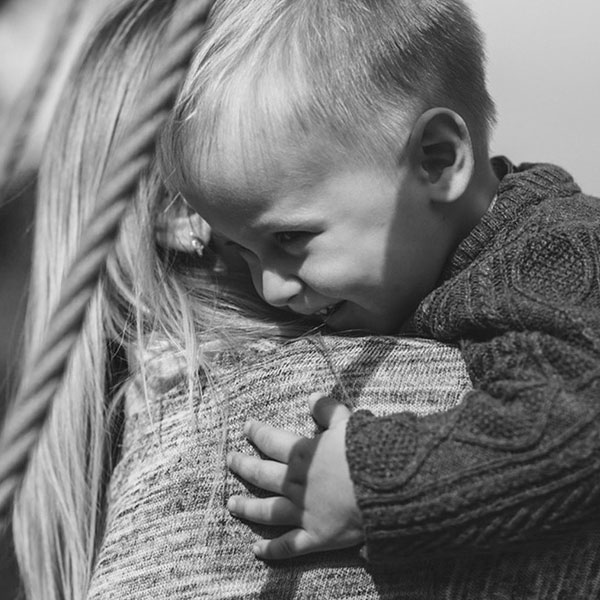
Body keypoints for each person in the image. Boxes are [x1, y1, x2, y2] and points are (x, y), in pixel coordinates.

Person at [11, 1, 600, 600]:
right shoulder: (463, 262)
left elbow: (581, 424)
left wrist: (375, 484)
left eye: (290, 238)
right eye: (239, 250)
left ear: (438, 160)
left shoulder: (557, 253)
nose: (270, 286)